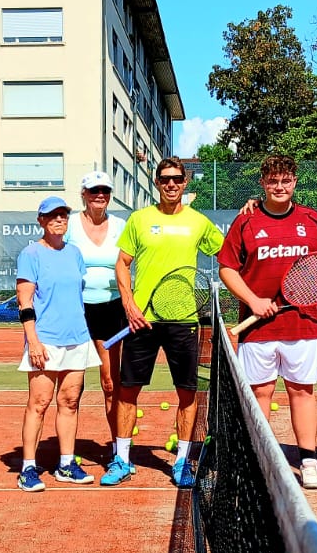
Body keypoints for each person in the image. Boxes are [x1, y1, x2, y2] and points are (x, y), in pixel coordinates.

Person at [105, 157, 224, 488]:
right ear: (156, 182)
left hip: (183, 320)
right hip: (142, 321)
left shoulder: (199, 223)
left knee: (187, 395)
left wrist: (249, 215)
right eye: (165, 179)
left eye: (177, 179)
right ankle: (121, 460)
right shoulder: (139, 220)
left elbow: (228, 252)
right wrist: (129, 305)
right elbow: (122, 264)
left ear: (185, 183)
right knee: (127, 391)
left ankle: (183, 462)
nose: (171, 184)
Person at [217, 153, 317, 489]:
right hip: (257, 329)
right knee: (260, 393)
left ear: (295, 181)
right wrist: (253, 300)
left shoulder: (312, 220)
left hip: (303, 323)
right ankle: (260, 461)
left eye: (286, 180)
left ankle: (308, 462)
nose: (279, 186)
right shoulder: (246, 221)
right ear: (263, 183)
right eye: (272, 181)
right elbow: (227, 268)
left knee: (301, 391)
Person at [15, 196, 99, 491]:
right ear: (41, 220)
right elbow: (24, 302)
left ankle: (66, 463)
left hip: (77, 339)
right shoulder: (30, 254)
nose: (59, 219)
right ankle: (27, 468)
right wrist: (33, 341)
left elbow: (78, 296)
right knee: (38, 404)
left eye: (63, 214)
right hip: (46, 341)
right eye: (52, 215)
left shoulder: (74, 253)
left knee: (70, 402)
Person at [65, 170, 127, 443]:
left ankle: (118, 450)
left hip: (112, 310)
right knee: (72, 388)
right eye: (94, 191)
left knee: (110, 384)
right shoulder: (68, 225)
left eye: (105, 191)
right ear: (84, 195)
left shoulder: (121, 226)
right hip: (75, 311)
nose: (100, 195)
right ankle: (66, 455)